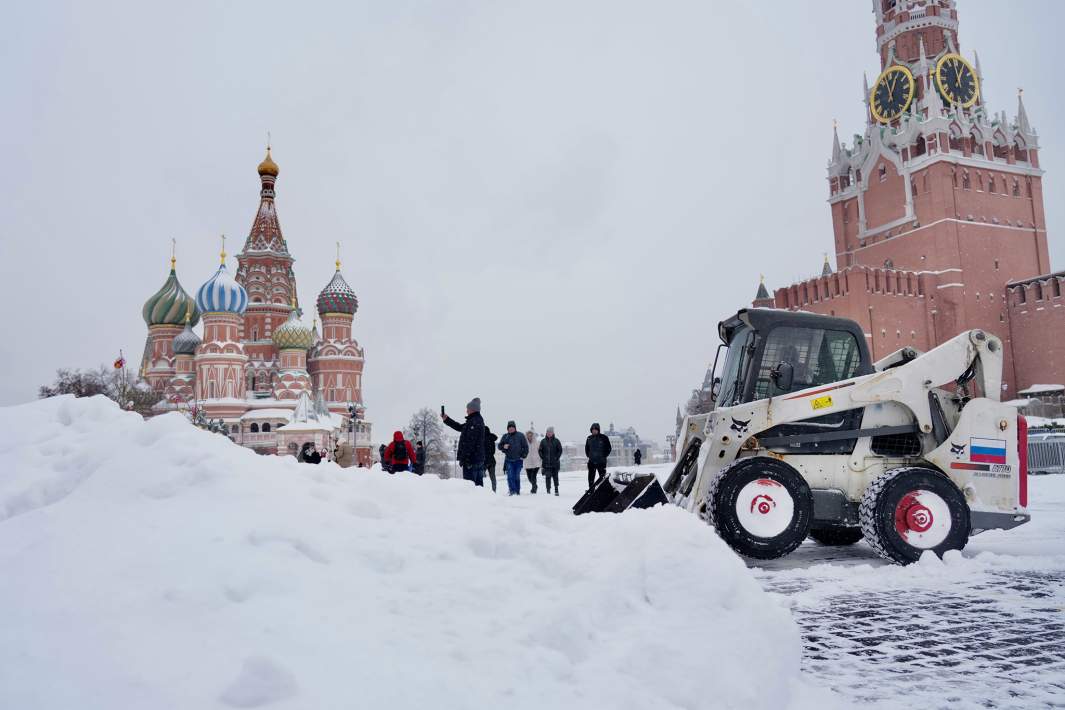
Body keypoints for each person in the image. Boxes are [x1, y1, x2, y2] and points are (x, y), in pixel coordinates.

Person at [442, 398, 486, 486]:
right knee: (479, 488)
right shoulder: (474, 421)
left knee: (470, 488)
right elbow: (459, 427)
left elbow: (470, 443)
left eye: (467, 409)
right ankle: (481, 500)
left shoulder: (474, 422)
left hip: (471, 461)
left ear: (473, 409)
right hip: (477, 460)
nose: (466, 411)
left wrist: (465, 458)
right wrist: (447, 419)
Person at [498, 420, 528, 495]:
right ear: (507, 429)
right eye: (509, 427)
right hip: (509, 460)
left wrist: (523, 455)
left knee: (516, 476)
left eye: (512, 427)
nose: (511, 429)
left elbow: (525, 447)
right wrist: (504, 446)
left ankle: (517, 491)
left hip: (518, 460)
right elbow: (499, 446)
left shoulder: (520, 435)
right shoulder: (505, 436)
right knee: (510, 476)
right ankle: (512, 490)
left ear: (515, 428)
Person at [585, 423, 611, 490]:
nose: (594, 431)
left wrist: (604, 456)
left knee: (603, 479)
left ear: (598, 430)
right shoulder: (589, 438)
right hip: (591, 462)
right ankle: (591, 491)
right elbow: (587, 448)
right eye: (593, 429)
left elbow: (608, 448)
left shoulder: (604, 437)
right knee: (591, 478)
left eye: (595, 429)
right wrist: (589, 455)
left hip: (601, 462)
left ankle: (604, 491)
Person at [539, 426, 563, 496]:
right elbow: (540, 450)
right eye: (548, 432)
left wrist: (556, 457)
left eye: (550, 432)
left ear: (553, 433)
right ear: (546, 433)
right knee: (547, 477)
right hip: (546, 463)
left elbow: (560, 450)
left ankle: (556, 489)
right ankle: (548, 490)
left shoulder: (557, 441)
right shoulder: (543, 441)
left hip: (555, 463)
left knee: (555, 477)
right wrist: (542, 456)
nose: (549, 433)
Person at [524, 429, 541, 493]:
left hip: (536, 462)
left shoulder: (537, 443)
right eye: (528, 435)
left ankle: (534, 489)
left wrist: (540, 458)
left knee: (533, 476)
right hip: (527, 462)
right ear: (526, 436)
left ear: (533, 436)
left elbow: (540, 451)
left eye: (531, 435)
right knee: (529, 478)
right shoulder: (524, 443)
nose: (530, 436)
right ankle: (535, 486)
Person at [484, 426, 499, 492]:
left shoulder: (482, 438)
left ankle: (479, 491)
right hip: (492, 460)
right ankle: (494, 490)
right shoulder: (491, 438)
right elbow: (493, 451)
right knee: (493, 477)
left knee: (480, 477)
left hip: (484, 461)